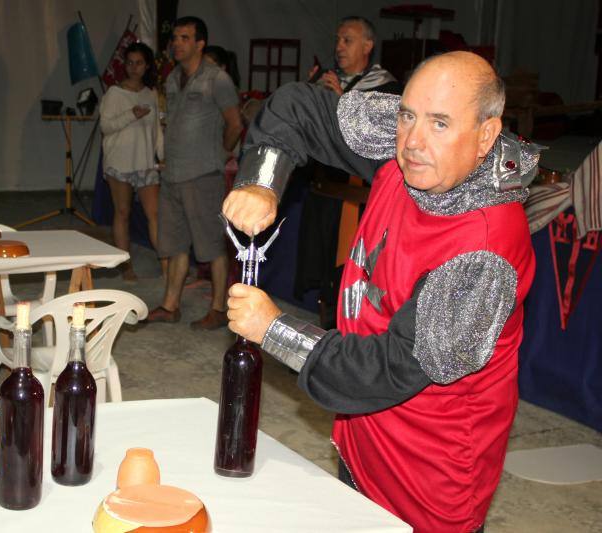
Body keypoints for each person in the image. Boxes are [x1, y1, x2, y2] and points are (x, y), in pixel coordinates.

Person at [223, 51, 540, 532]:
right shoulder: (410, 155)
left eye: (439, 124)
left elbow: (387, 370)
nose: (412, 141)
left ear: (486, 136)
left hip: (426, 485)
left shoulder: (483, 251)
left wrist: (274, 329)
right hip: (361, 440)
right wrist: (263, 182)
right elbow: (298, 105)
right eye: (407, 115)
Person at [298, 16, 401, 328]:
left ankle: (348, 335)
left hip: (359, 197)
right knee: (323, 262)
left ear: (368, 46)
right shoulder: (330, 80)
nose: (339, 47)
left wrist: (342, 100)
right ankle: (325, 327)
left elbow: (381, 138)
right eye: (338, 40)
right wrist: (311, 95)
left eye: (348, 40)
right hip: (325, 191)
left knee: (352, 269)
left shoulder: (388, 87)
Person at [147, 16, 242, 329]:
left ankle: (217, 309)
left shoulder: (217, 79)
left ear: (200, 43)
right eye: (175, 38)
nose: (176, 43)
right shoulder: (174, 78)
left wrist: (220, 154)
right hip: (172, 174)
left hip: (203, 175)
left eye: (184, 38)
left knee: (211, 245)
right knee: (174, 244)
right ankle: (170, 305)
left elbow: (235, 124)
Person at [99, 42, 163, 281]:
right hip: (120, 162)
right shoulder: (115, 93)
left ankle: (166, 263)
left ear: (147, 66)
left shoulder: (151, 94)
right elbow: (105, 126)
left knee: (155, 214)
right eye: (129, 62)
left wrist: (162, 156)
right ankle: (125, 266)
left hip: (146, 162)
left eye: (139, 63)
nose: (133, 68)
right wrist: (130, 115)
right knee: (123, 212)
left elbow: (157, 131)